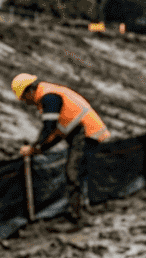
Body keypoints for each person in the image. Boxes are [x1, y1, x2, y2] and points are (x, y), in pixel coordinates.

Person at [10, 73, 112, 227]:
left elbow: (49, 128)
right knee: (78, 173)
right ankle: (80, 212)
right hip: (83, 132)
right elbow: (57, 133)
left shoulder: (49, 97)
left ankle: (78, 218)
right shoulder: (49, 94)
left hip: (86, 132)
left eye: (24, 98)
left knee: (73, 173)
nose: (25, 102)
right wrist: (41, 148)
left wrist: (34, 147)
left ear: (29, 91)